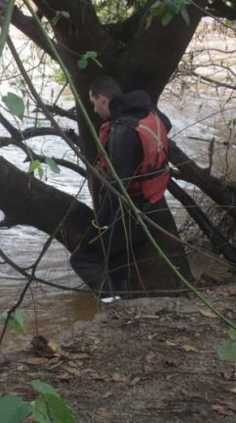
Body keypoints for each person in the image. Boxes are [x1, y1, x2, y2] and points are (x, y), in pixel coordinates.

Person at [70, 76, 186, 299]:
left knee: (81, 258)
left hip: (134, 214)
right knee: (116, 259)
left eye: (93, 103)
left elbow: (118, 190)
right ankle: (124, 300)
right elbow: (167, 124)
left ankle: (113, 304)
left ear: (103, 99)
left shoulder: (123, 132)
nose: (93, 110)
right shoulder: (150, 112)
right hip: (154, 205)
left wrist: (98, 226)